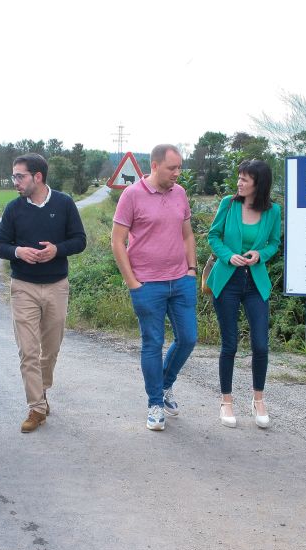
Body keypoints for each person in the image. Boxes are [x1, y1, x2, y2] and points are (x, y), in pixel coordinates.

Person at [0, 153, 86, 433]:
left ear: (38, 177)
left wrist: (57, 249)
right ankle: (35, 407)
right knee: (28, 351)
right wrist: (18, 251)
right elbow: (0, 246)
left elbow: (79, 240)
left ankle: (42, 391)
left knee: (51, 349)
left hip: (57, 286)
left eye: (19, 176)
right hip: (23, 287)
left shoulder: (64, 203)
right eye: (14, 176)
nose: (15, 182)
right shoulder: (13, 209)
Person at [111, 144, 198, 431]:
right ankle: (154, 404)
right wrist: (132, 282)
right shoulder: (132, 195)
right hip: (147, 284)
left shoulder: (180, 193)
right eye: (173, 167)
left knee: (188, 338)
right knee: (152, 344)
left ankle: (165, 385)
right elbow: (117, 242)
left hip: (180, 281)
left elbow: (187, 235)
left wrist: (191, 270)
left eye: (179, 167)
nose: (178, 173)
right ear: (156, 166)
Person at [206, 159, 281, 428]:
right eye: (238, 177)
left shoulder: (273, 211)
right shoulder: (229, 203)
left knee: (260, 343)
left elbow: (274, 243)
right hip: (227, 281)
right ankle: (226, 401)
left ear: (258, 184)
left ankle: (258, 399)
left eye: (245, 179)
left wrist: (261, 254)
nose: (239, 182)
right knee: (230, 344)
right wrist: (228, 256)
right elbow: (213, 236)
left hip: (255, 283)